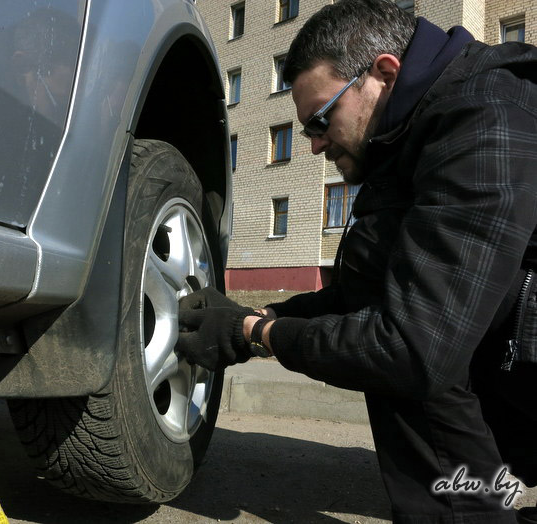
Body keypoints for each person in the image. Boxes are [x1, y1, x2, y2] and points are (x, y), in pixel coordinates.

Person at [176, 0, 537, 522]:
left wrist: (259, 334)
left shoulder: (487, 120)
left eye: (321, 120)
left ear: (384, 73)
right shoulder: (407, 137)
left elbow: (412, 347)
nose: (316, 143)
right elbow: (366, 287)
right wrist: (259, 318)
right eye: (305, 130)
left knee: (405, 346)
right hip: (511, 359)